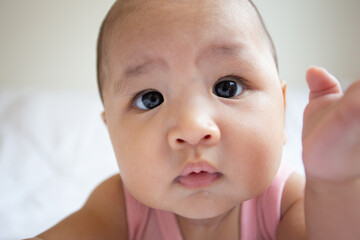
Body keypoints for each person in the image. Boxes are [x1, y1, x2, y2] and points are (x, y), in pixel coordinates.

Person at [28, 0, 360, 239]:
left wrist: (332, 186)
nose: (192, 128)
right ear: (111, 133)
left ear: (282, 110)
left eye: (227, 87)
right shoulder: (119, 206)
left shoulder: (286, 202)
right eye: (150, 99)